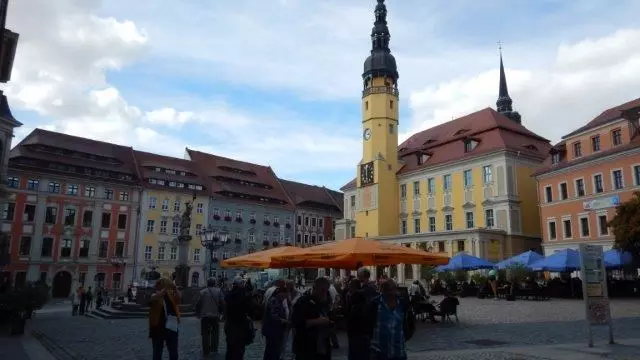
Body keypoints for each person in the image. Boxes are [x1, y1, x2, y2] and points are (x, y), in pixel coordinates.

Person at [364, 279, 408, 360]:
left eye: (394, 289)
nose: (394, 292)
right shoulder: (375, 304)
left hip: (398, 352)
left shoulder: (402, 304)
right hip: (378, 353)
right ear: (383, 291)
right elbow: (366, 326)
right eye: (390, 290)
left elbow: (408, 325)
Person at [291, 277, 333, 360]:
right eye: (322, 290)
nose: (324, 293)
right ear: (315, 287)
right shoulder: (303, 301)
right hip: (306, 348)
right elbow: (297, 323)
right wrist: (318, 321)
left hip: (323, 348)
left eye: (326, 290)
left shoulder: (325, 302)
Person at [148, 278, 181, 360]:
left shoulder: (171, 295)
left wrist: (175, 288)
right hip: (157, 327)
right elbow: (151, 299)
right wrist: (161, 293)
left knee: (173, 352)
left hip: (171, 326)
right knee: (157, 352)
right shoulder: (154, 294)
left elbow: (179, 298)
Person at [225, 276, 253, 360]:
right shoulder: (243, 295)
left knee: (230, 348)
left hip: (230, 324)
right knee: (239, 348)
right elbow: (249, 309)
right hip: (240, 325)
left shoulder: (228, 295)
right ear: (240, 284)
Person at [197, 278, 225, 357]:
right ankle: (214, 349)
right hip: (215, 315)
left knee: (205, 334)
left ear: (207, 283)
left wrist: (198, 314)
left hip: (205, 315)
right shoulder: (219, 291)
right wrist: (223, 313)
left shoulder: (202, 292)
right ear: (214, 283)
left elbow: (198, 303)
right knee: (215, 333)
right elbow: (223, 302)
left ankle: (206, 350)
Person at [262, 287, 289, 360]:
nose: (286, 296)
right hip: (272, 331)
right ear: (282, 293)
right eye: (286, 294)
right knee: (273, 352)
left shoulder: (277, 300)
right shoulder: (274, 300)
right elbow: (273, 316)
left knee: (272, 352)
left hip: (274, 331)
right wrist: (284, 321)